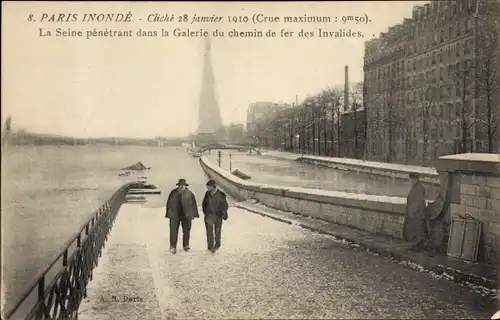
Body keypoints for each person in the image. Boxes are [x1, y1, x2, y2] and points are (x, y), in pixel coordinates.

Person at [165, 178, 199, 254]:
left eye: (183, 185)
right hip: (175, 215)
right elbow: (169, 204)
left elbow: (193, 205)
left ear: (185, 186)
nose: (181, 187)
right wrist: (169, 214)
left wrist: (193, 215)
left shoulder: (189, 193)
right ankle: (173, 247)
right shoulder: (173, 193)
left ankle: (186, 245)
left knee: (186, 231)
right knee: (173, 231)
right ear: (178, 186)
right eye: (180, 185)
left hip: (186, 215)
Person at [403, 172, 428, 250]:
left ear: (417, 179)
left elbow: (418, 202)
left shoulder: (420, 187)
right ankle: (417, 245)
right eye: (412, 179)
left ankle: (418, 246)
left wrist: (412, 212)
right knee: (416, 230)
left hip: (418, 213)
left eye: (413, 179)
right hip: (414, 213)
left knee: (419, 230)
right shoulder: (415, 187)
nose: (412, 181)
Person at [202, 180, 228, 253]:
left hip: (218, 217)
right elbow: (204, 204)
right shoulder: (207, 193)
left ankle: (217, 245)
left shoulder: (221, 194)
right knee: (209, 232)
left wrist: (221, 214)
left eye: (208, 187)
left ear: (213, 187)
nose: (207, 188)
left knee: (217, 231)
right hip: (209, 216)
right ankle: (210, 247)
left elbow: (225, 206)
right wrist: (206, 213)